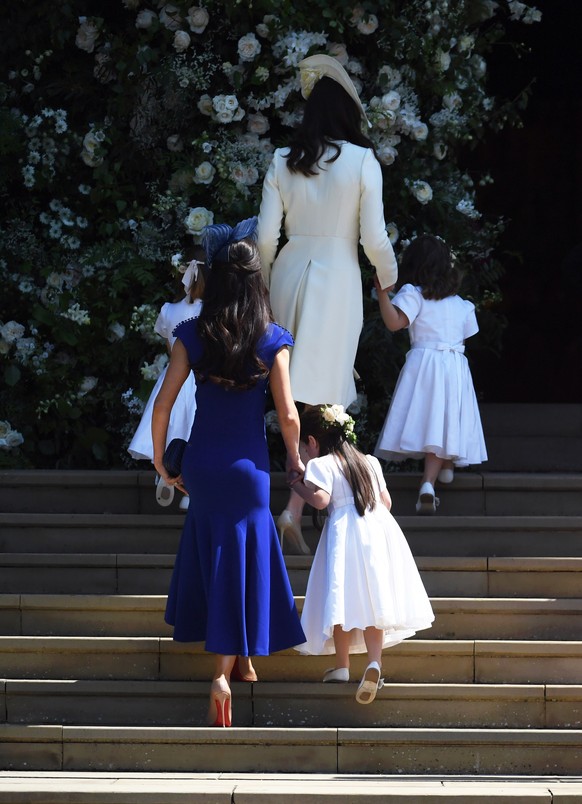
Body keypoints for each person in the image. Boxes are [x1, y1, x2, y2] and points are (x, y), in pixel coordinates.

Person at [151, 217, 306, 727]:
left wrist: (160, 459)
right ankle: (223, 671)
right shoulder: (271, 339)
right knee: (243, 555)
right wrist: (295, 458)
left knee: (220, 553)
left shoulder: (192, 334)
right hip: (247, 467)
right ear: (257, 282)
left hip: (203, 462)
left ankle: (242, 662)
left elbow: (164, 406)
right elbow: (286, 413)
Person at [257, 53, 398, 552]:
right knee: (327, 393)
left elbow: (264, 239)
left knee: (289, 390)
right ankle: (304, 501)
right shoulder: (362, 162)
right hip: (338, 279)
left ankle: (294, 502)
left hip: (290, 275)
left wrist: (264, 289)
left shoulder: (282, 160)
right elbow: (375, 239)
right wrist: (391, 280)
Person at [290, 404, 434, 704]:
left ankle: (342, 666)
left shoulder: (320, 465)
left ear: (313, 441)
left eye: (304, 446)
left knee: (340, 595)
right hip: (376, 531)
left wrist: (298, 486)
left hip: (343, 532)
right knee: (373, 597)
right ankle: (374, 663)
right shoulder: (368, 462)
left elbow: (321, 500)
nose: (304, 452)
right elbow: (387, 502)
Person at [374, 234, 488, 514]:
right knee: (445, 420)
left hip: (424, 365)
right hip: (454, 366)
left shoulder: (414, 294)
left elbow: (394, 323)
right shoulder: (462, 304)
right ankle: (440, 471)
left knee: (430, 420)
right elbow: (466, 336)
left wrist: (382, 295)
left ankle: (429, 482)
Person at [128, 251, 204, 510]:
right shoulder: (213, 311)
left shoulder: (170, 310)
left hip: (173, 376)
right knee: (194, 430)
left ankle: (166, 470)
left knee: (171, 426)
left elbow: (171, 350)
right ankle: (192, 491)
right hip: (199, 377)